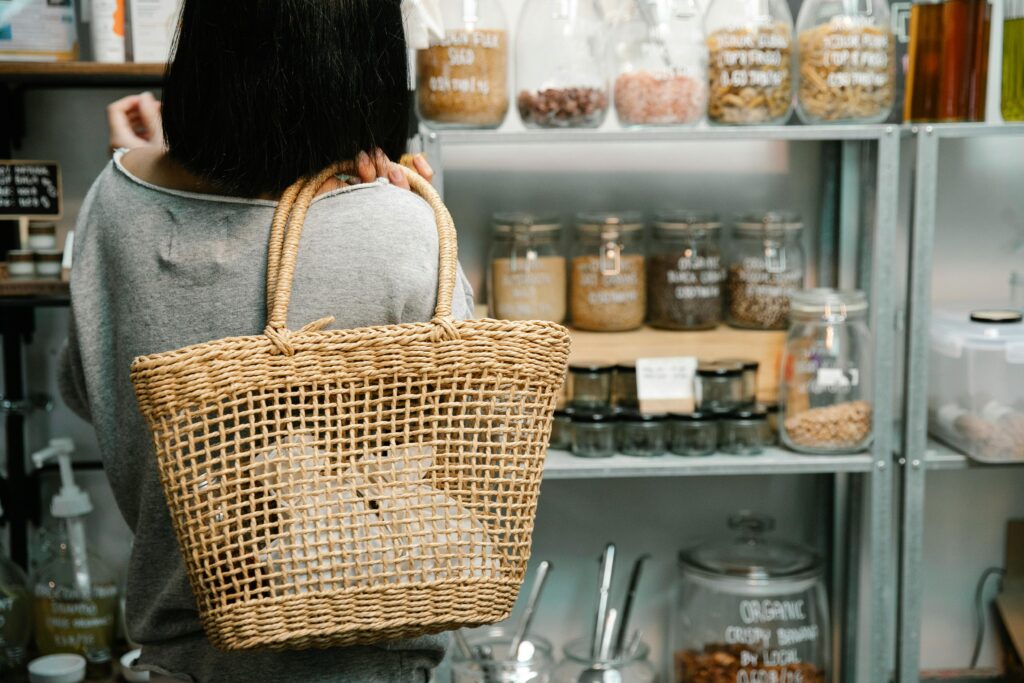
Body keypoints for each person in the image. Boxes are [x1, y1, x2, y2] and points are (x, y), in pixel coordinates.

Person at [59, 2, 474, 681]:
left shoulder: (113, 202)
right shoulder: (402, 229)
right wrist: (422, 222)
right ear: (365, 54)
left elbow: (87, 391)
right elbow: (465, 446)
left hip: (181, 664)